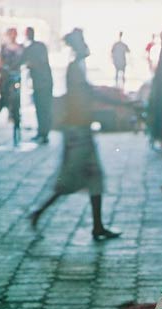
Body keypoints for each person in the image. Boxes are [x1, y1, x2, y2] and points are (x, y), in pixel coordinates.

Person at [29, 28, 121, 240]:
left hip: (81, 131)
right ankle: (39, 213)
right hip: (77, 133)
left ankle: (97, 226)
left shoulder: (77, 68)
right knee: (70, 180)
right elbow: (89, 95)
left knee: (94, 177)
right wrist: (121, 103)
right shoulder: (75, 69)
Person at [21, 27, 53, 144]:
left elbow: (32, 62)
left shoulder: (36, 48)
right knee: (42, 108)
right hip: (41, 83)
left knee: (43, 108)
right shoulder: (33, 48)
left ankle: (43, 133)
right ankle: (42, 132)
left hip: (42, 83)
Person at [0, 28, 23, 113]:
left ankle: (15, 114)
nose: (13, 36)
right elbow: (1, 60)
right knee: (5, 94)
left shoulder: (20, 47)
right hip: (5, 75)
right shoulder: (4, 47)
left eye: (14, 33)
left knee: (16, 95)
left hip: (16, 75)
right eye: (11, 34)